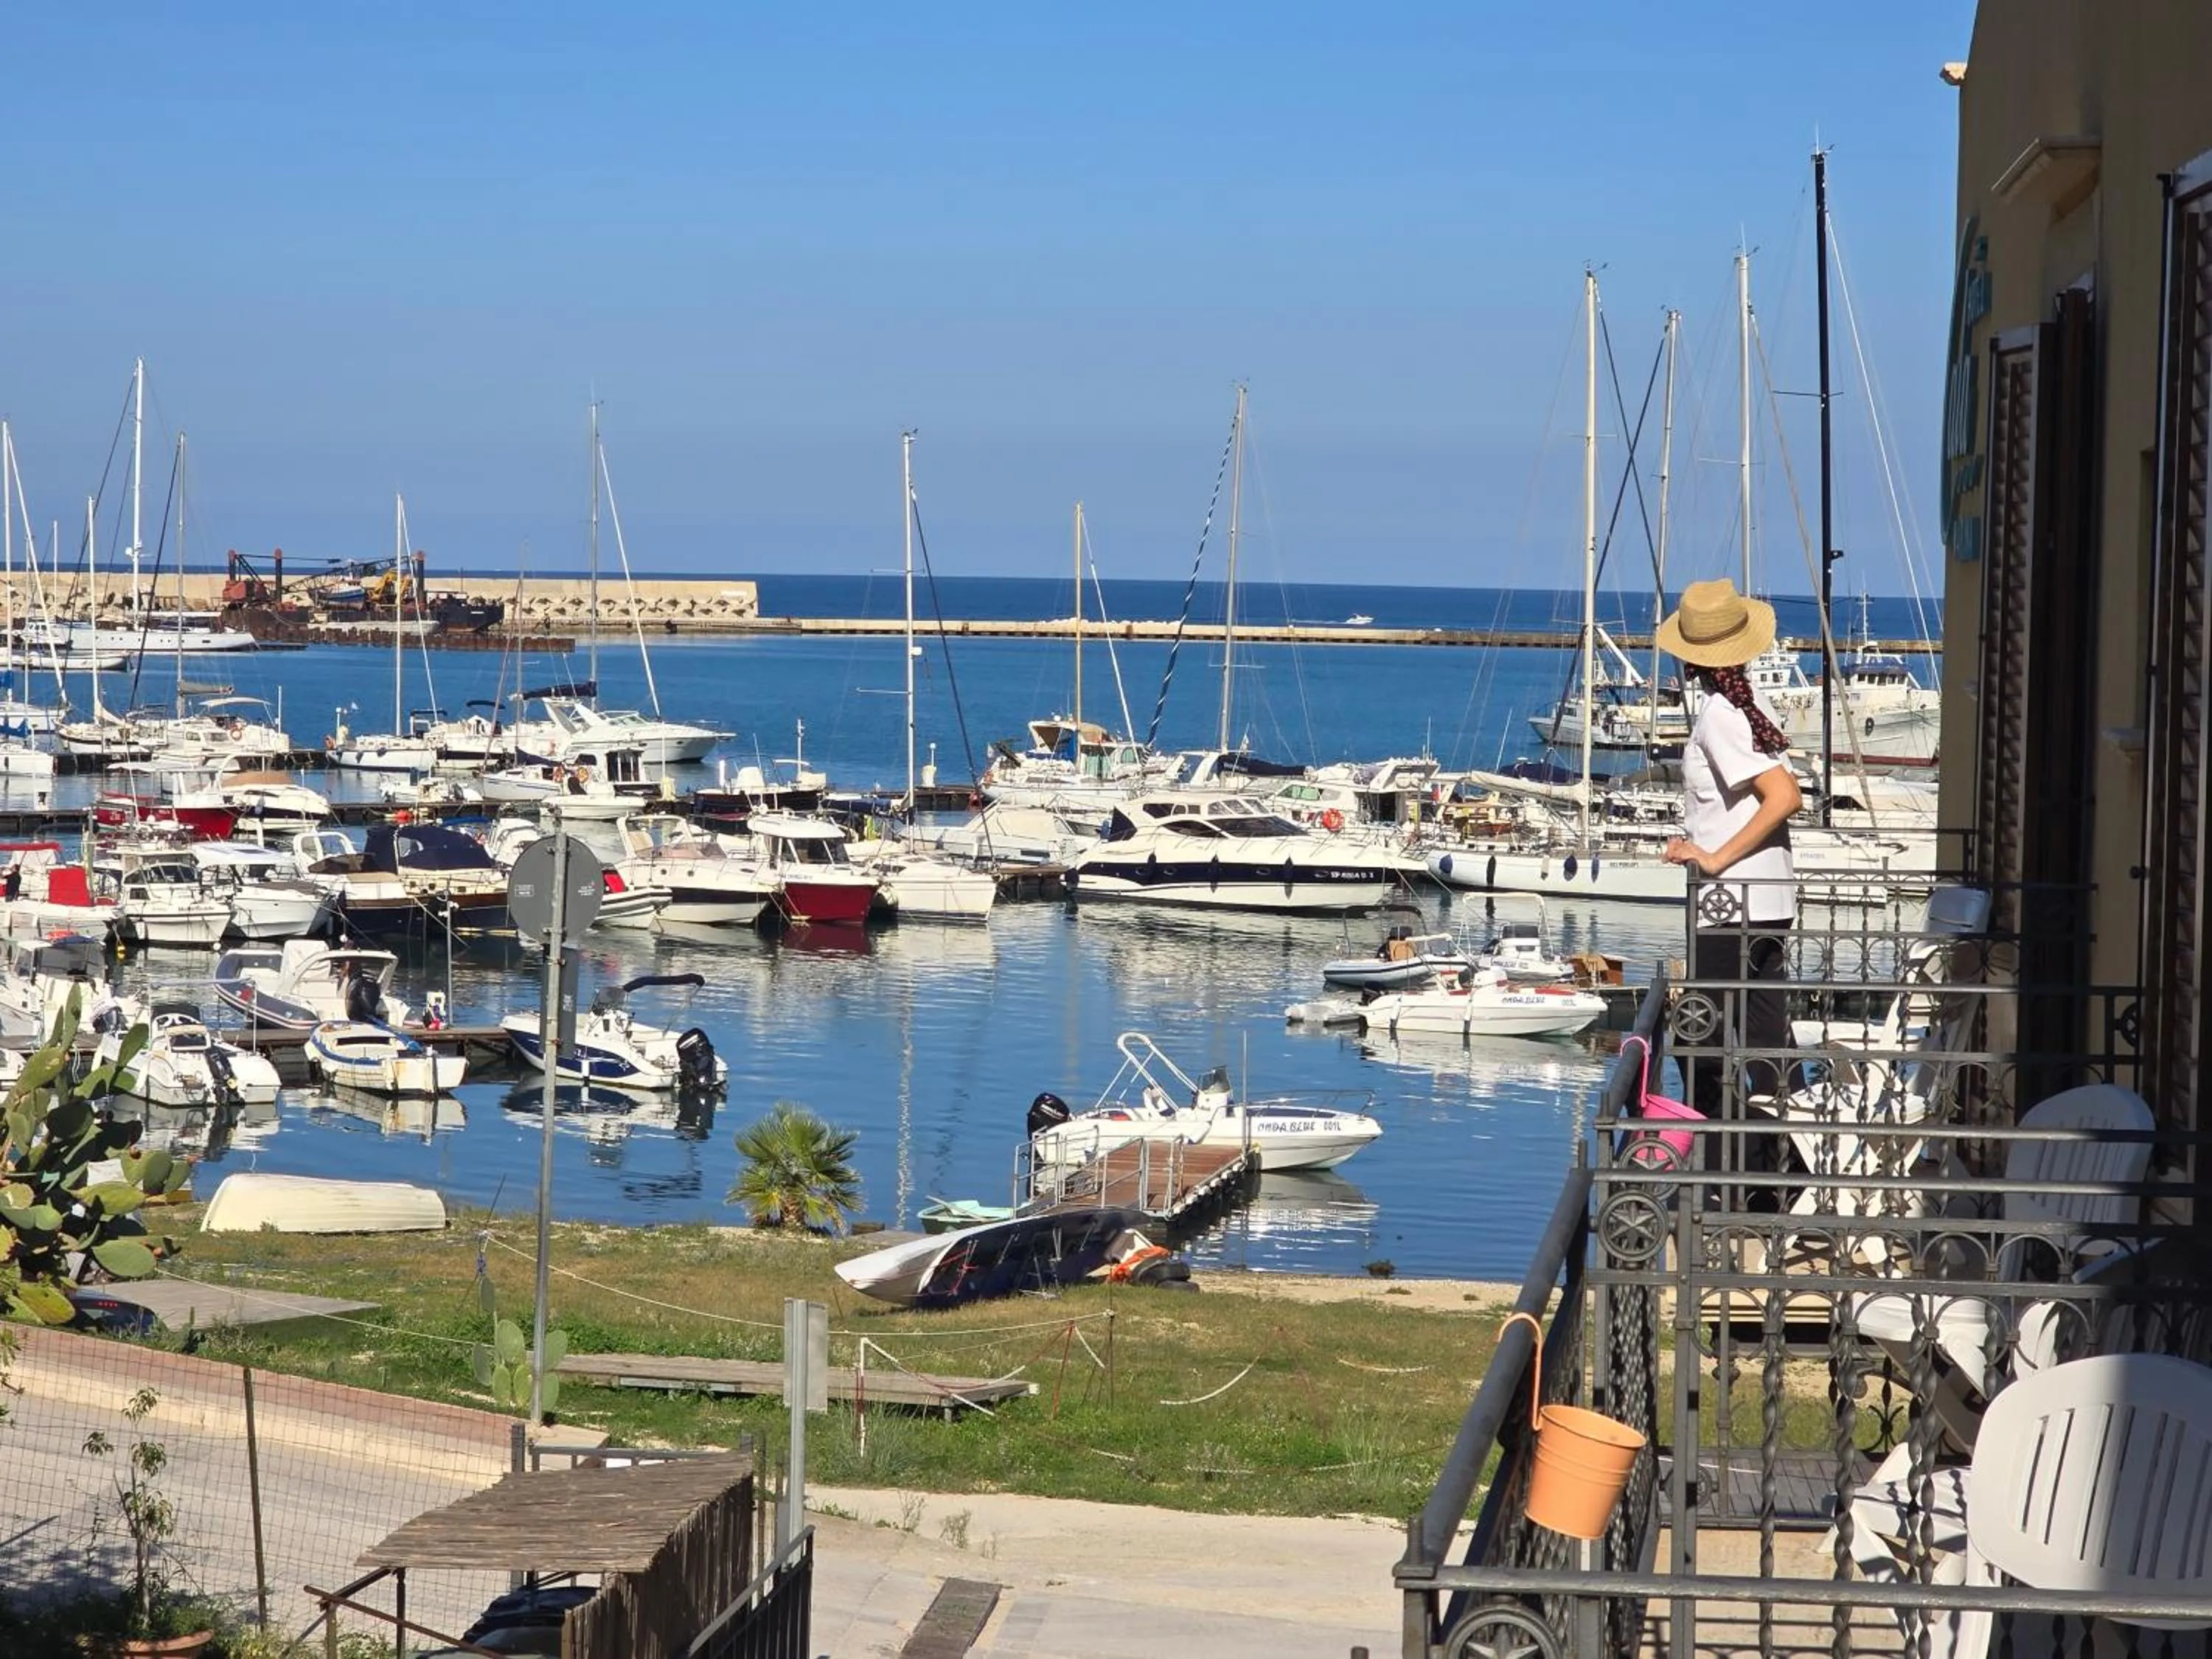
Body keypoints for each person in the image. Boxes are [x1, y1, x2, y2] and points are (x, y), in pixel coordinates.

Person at [1656, 578, 1803, 1193]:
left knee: (1702, 1047)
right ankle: (1784, 1176)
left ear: (1689, 656)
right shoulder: (1747, 707)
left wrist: (1712, 857)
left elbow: (1783, 797)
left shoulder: (1720, 716)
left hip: (1731, 906)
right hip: (1767, 902)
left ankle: (1725, 1179)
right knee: (1767, 1045)